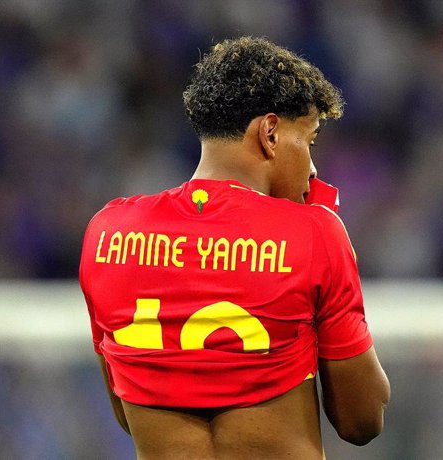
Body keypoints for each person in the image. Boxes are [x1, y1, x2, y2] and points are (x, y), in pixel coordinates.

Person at [79, 36, 390, 459]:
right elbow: (361, 421)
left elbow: (123, 408)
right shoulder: (314, 234)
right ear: (270, 133)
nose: (313, 167)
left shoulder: (108, 234)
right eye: (310, 141)